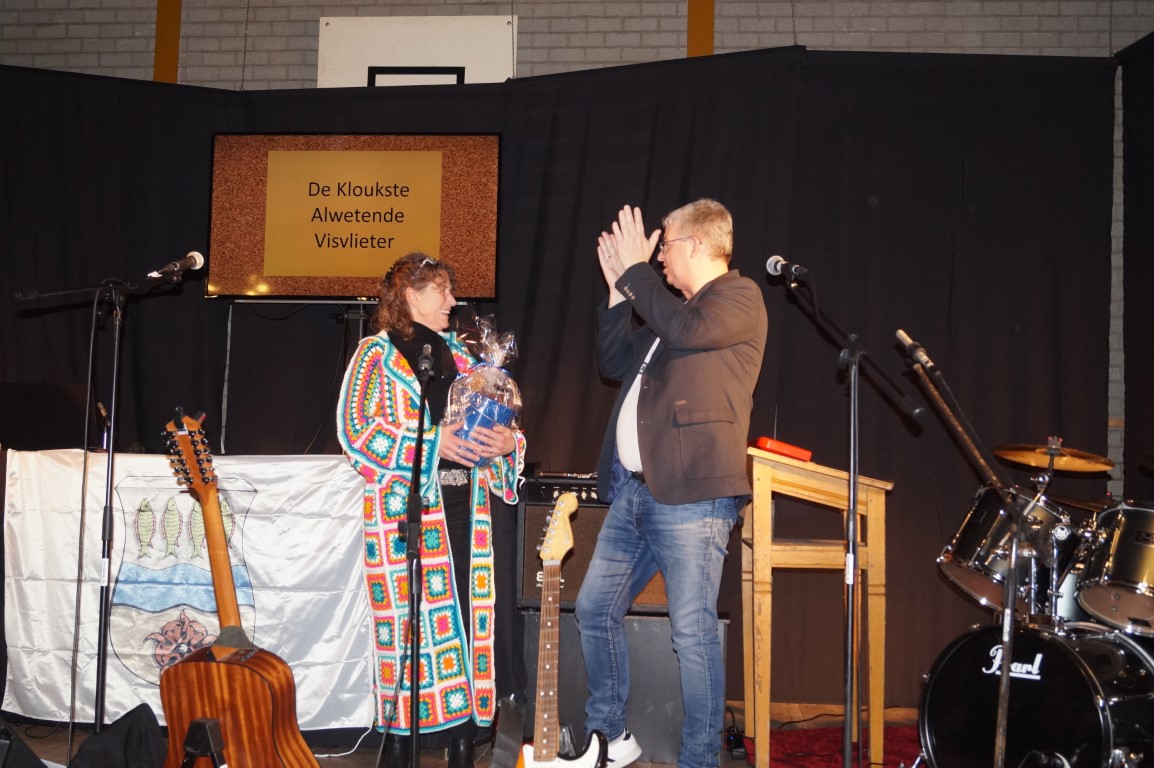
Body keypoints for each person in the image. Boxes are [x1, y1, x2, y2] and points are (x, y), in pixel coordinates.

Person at [575, 200, 767, 768]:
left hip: (694, 496)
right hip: (635, 492)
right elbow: (614, 362)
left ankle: (699, 759)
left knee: (691, 633)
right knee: (593, 608)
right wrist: (618, 289)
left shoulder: (738, 298)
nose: (658, 258)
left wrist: (635, 274)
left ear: (698, 244)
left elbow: (685, 329)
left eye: (665, 246)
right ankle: (609, 738)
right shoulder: (669, 316)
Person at [337, 253, 525, 768]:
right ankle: (401, 746)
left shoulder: (465, 359)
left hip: (468, 512)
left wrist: (507, 443)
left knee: (467, 625)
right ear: (411, 295)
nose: (453, 301)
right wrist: (432, 441)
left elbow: (504, 429)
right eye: (442, 291)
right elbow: (357, 432)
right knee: (409, 631)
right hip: (406, 518)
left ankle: (463, 743)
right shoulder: (375, 356)